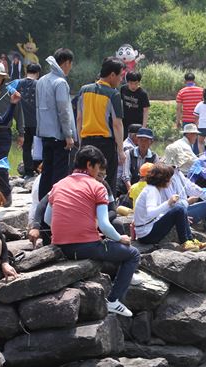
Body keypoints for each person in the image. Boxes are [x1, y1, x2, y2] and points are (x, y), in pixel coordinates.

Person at [45, 145, 139, 317]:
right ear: (90, 165)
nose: (98, 172)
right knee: (132, 254)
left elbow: (46, 219)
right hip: (85, 246)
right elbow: (104, 224)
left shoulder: (58, 185)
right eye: (98, 167)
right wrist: (120, 238)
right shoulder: (97, 187)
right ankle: (113, 300)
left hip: (60, 246)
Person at [133, 163, 206, 251]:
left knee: (179, 210)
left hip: (147, 231)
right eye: (169, 179)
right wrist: (168, 203)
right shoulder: (152, 191)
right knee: (179, 209)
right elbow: (151, 213)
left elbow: (154, 215)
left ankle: (190, 241)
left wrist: (181, 218)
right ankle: (185, 242)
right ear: (163, 179)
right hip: (147, 234)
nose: (171, 181)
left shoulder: (152, 189)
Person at [78, 56, 126, 193]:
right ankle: (106, 208)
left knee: (85, 177)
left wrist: (80, 141)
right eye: (120, 76)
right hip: (106, 144)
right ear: (112, 75)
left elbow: (79, 119)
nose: (121, 79)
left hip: (86, 141)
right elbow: (117, 124)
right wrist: (121, 150)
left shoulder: (84, 90)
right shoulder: (113, 94)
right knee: (106, 179)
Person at [36, 49, 75, 201]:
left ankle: (42, 207)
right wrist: (69, 135)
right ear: (66, 63)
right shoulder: (60, 83)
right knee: (59, 173)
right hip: (59, 136)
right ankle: (56, 206)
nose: (70, 68)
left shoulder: (42, 80)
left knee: (46, 171)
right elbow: (63, 111)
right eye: (70, 64)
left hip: (45, 134)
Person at [0, 62, 25, 207]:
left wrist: (21, 133)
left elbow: (18, 113)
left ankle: (6, 193)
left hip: (3, 132)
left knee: (0, 163)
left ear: (2, 77)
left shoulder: (10, 91)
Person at [14, 63, 41, 178]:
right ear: (38, 73)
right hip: (37, 122)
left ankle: (28, 172)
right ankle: (40, 169)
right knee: (40, 147)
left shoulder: (19, 83)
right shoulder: (39, 84)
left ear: (26, 71)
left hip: (23, 122)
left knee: (26, 147)